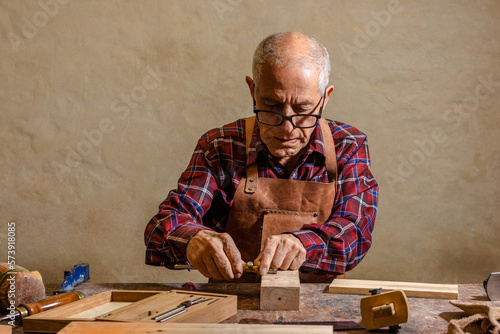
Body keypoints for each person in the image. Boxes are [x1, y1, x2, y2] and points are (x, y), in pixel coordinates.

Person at [144, 32, 378, 283]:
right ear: (252, 91)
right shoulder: (221, 146)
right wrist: (193, 239)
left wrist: (304, 244)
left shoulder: (348, 145)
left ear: (325, 99)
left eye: (302, 109)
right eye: (272, 106)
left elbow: (356, 232)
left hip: (319, 305)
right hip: (231, 305)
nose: (286, 127)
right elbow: (163, 224)